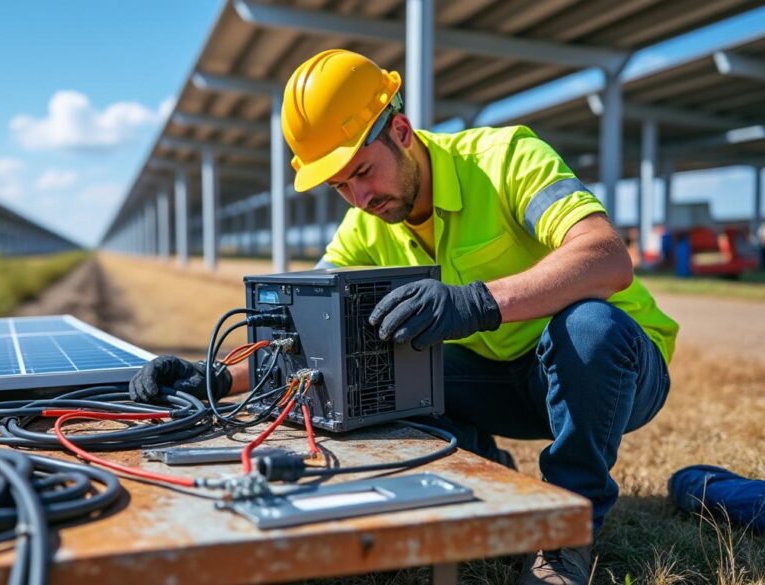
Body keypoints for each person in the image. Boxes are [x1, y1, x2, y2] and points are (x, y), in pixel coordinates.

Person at [130, 49, 678, 585]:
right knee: (370, 368)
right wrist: (215, 377)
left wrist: (474, 302)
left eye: (363, 172)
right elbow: (307, 337)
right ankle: (488, 469)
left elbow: (607, 256)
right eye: (340, 186)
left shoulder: (506, 157)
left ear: (401, 131)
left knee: (588, 328)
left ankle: (568, 528)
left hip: (609, 373)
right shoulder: (366, 226)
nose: (359, 197)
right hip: (497, 382)